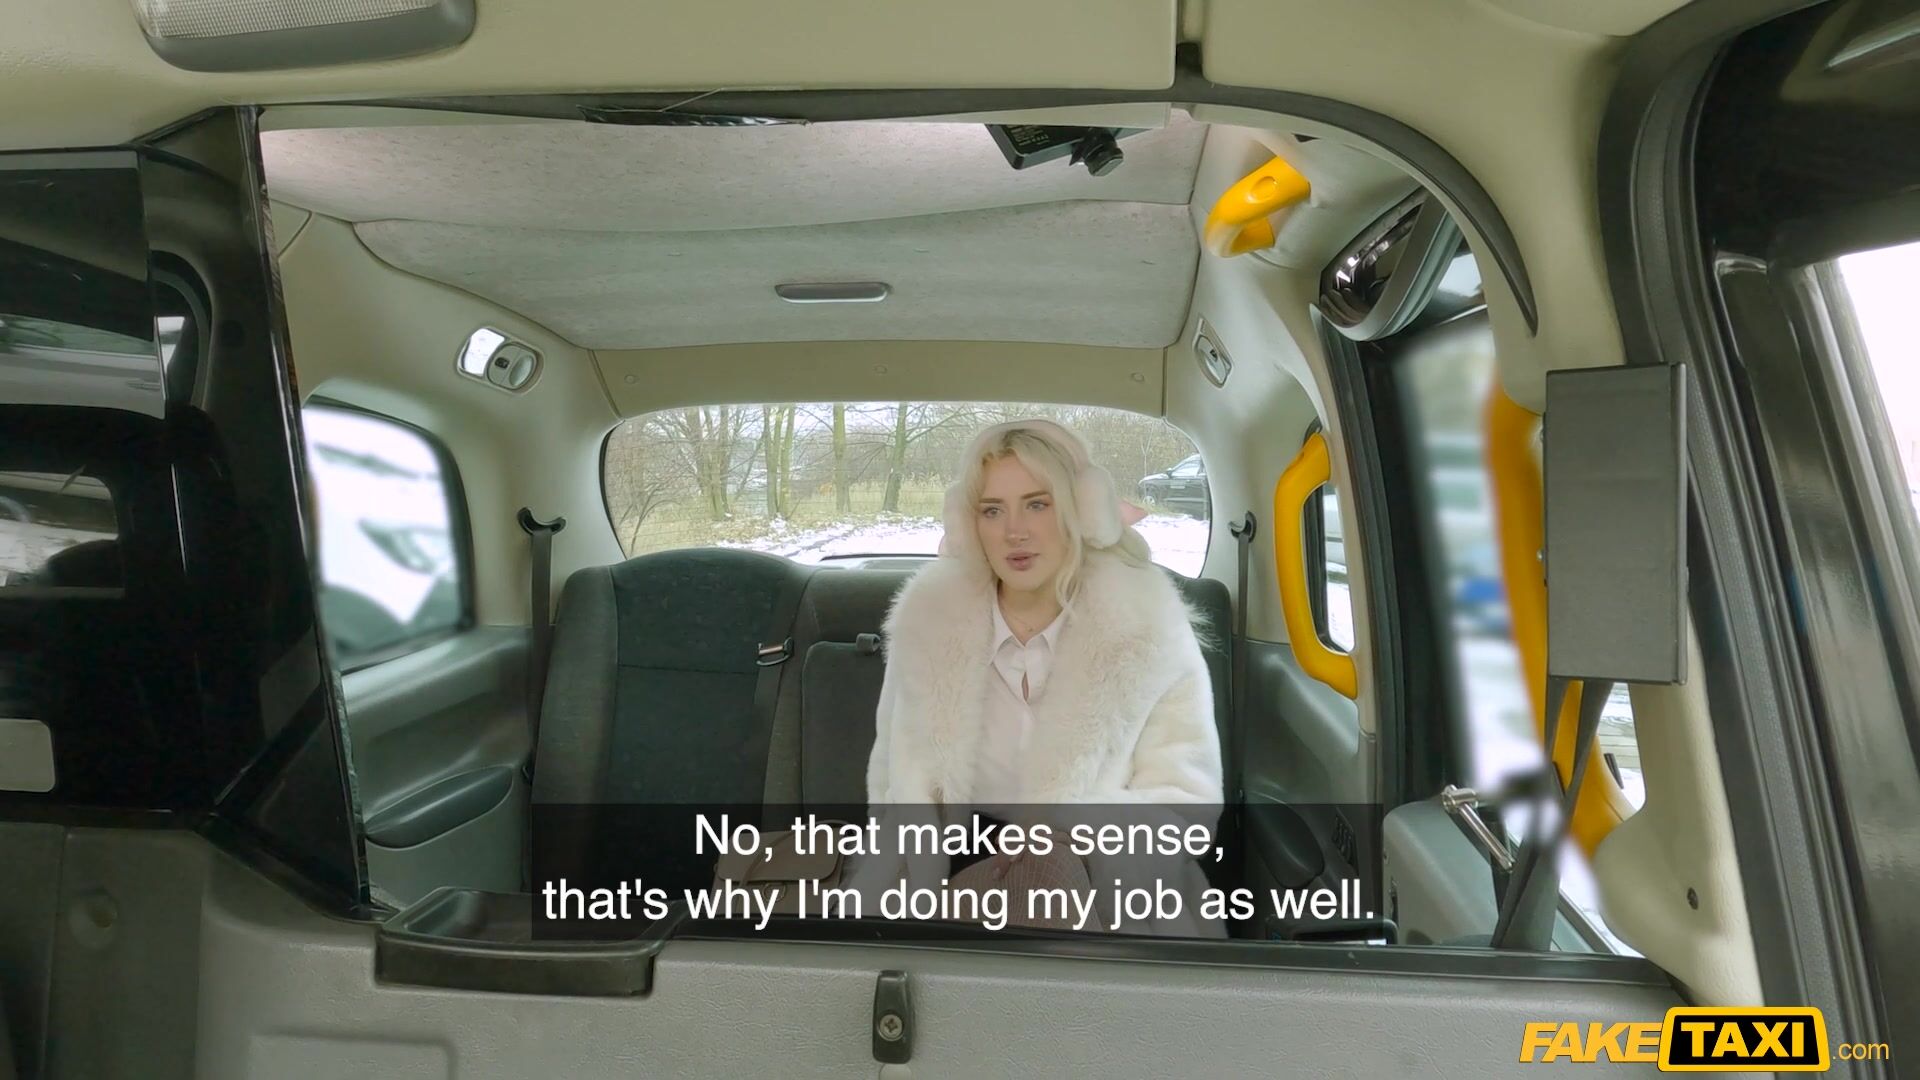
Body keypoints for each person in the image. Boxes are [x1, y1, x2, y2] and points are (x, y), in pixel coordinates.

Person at [853, 418, 1224, 937]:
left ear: (1080, 510)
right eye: (992, 510)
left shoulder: (1149, 631)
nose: (1015, 532)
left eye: (1037, 504)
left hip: (1108, 896)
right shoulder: (928, 627)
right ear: (970, 523)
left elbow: (1184, 810)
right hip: (946, 890)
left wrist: (1066, 835)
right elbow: (891, 787)